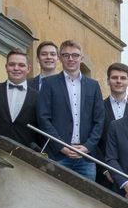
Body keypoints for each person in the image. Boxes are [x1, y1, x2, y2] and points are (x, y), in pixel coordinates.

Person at [36, 40, 106, 179]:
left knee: (86, 198)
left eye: (75, 55)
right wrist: (61, 146)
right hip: (57, 155)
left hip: (86, 157)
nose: (71, 59)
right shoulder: (49, 84)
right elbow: (43, 118)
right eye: (66, 55)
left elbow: (99, 120)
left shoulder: (93, 86)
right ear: (60, 58)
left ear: (81, 58)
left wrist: (87, 147)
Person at [0, 49, 39, 148]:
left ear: (28, 69)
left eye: (21, 65)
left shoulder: (38, 96)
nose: (16, 68)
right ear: (6, 67)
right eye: (12, 64)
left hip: (26, 156)